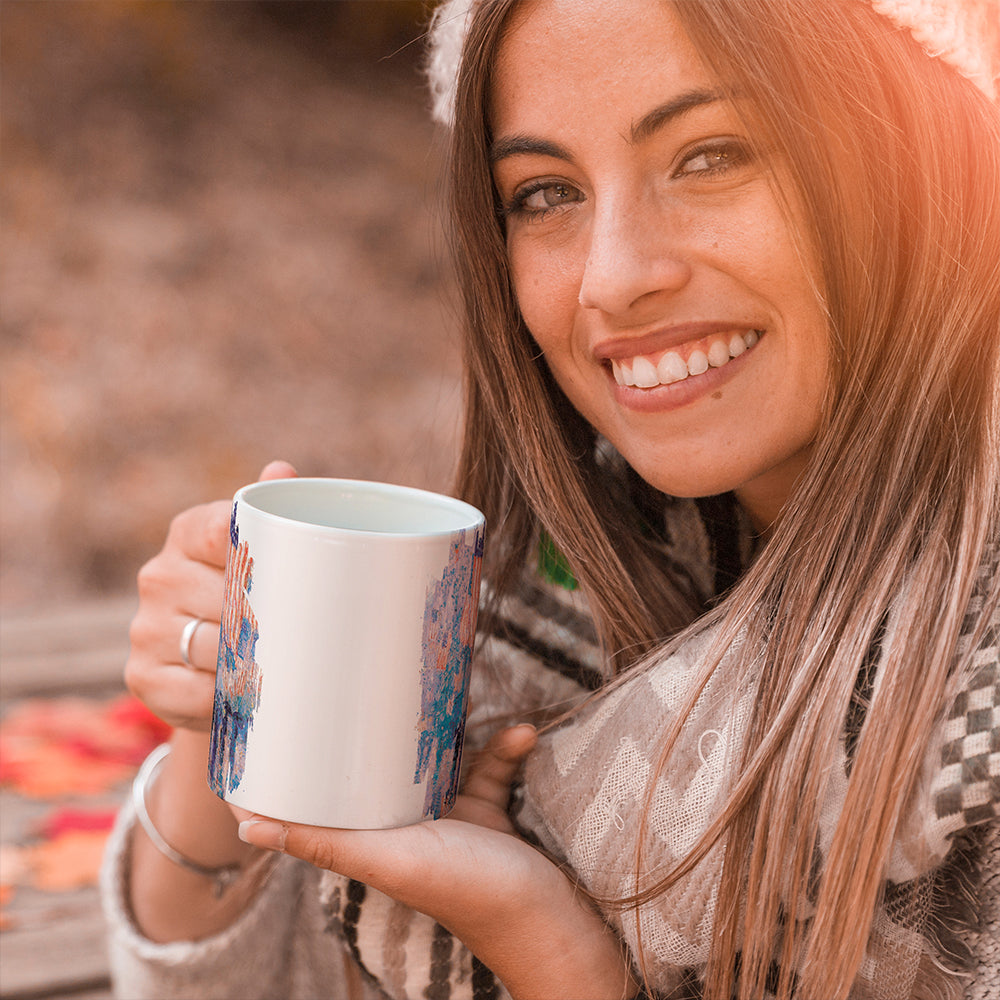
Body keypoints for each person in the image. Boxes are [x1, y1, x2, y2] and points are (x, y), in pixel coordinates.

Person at [101, 0, 1000, 997]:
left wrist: (551, 955)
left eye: (711, 155)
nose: (611, 279)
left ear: (927, 155)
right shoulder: (571, 593)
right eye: (544, 192)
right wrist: (224, 716)